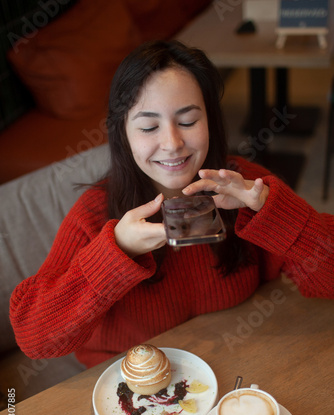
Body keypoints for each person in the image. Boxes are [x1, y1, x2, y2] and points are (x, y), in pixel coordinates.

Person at [10, 40, 334, 369]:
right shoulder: (93, 214)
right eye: (149, 127)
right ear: (122, 133)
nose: (172, 144)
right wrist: (116, 251)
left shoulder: (247, 186)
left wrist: (272, 211)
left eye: (189, 121)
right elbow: (36, 339)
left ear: (211, 121)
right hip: (133, 385)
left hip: (238, 361)